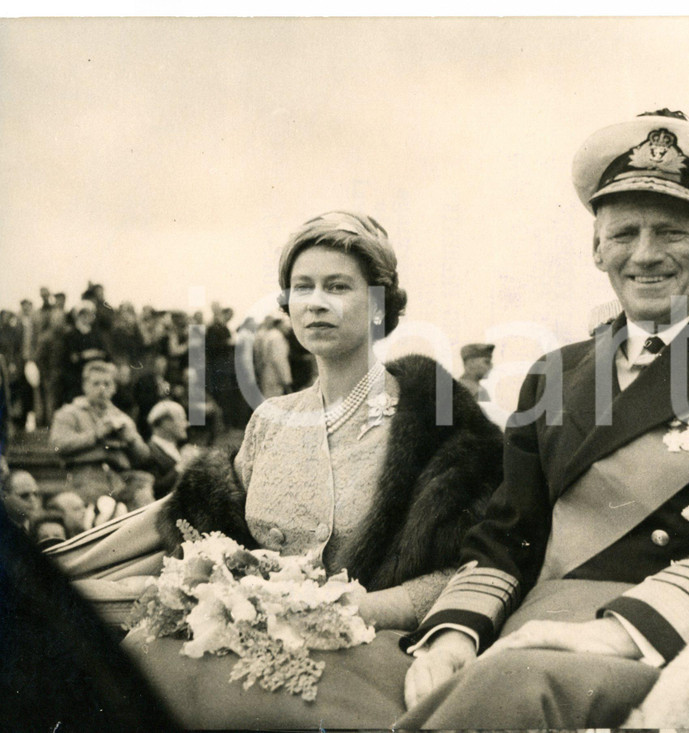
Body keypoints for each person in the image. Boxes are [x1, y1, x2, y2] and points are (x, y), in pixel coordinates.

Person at [395, 109, 689, 729]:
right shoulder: (552, 373)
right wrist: (452, 634)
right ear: (596, 247)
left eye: (671, 232)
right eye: (623, 233)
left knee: (504, 695)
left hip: (668, 643)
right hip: (521, 629)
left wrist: (621, 630)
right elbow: (508, 535)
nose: (645, 255)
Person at [119, 210, 504, 728]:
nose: (316, 302)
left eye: (338, 286)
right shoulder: (269, 421)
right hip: (245, 647)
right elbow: (223, 549)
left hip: (369, 654)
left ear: (377, 305)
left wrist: (358, 609)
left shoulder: (438, 420)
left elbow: (475, 567)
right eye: (302, 287)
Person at [49, 360, 153, 510]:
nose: (102, 389)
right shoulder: (69, 413)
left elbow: (143, 456)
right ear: (85, 386)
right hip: (84, 478)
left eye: (107, 384)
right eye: (96, 383)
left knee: (143, 501)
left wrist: (131, 440)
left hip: (118, 480)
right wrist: (95, 435)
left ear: (114, 388)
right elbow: (57, 445)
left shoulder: (121, 418)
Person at [144, 399, 194, 499]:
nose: (187, 424)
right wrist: (182, 466)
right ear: (166, 423)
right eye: (182, 419)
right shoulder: (148, 451)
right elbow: (155, 490)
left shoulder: (178, 449)